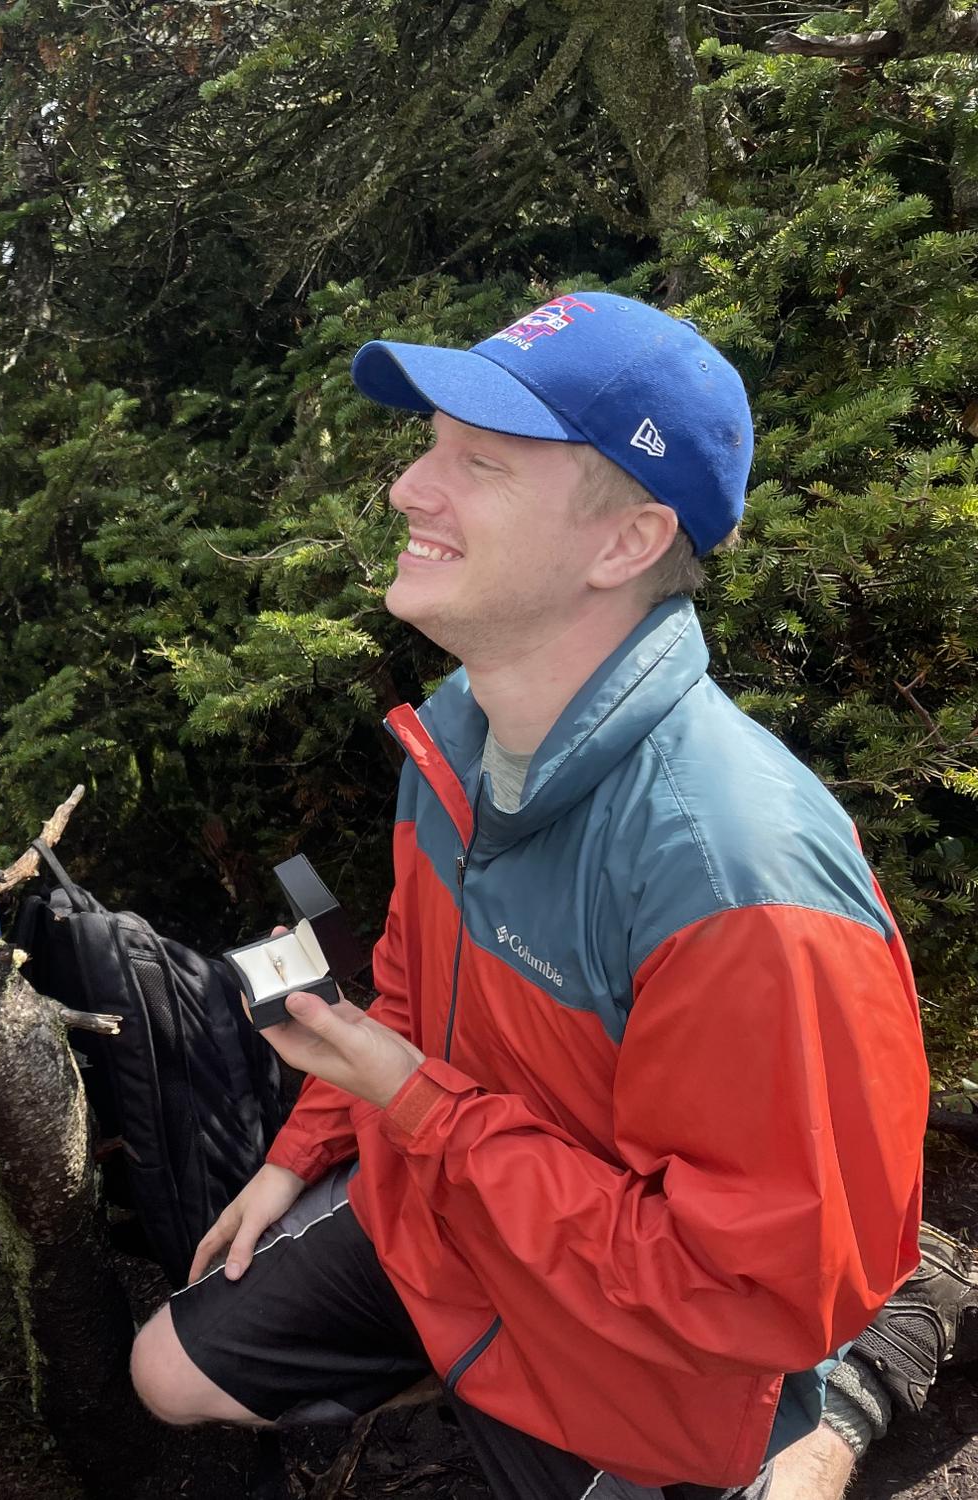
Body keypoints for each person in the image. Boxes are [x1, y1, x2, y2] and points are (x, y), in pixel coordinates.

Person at [128, 290, 936, 1498]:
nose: (407, 488)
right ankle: (464, 1372)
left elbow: (747, 1293)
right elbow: (403, 972)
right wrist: (302, 1153)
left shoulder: (732, 880)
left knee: (797, 1346)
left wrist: (422, 1109)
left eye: (479, 463)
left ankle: (850, 1392)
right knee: (166, 1371)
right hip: (462, 1221)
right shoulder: (457, 734)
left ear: (624, 542)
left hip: (651, 1346)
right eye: (427, 448)